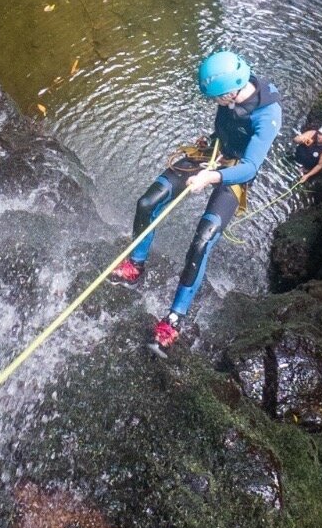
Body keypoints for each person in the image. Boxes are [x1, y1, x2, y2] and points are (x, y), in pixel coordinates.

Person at [111, 50, 282, 351]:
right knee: (147, 202)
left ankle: (175, 318)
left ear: (230, 92)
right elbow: (223, 127)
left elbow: (252, 167)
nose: (214, 103)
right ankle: (136, 265)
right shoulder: (229, 94)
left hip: (235, 173)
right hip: (212, 154)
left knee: (202, 241)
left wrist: (210, 178)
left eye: (216, 98)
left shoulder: (268, 114)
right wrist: (210, 146)